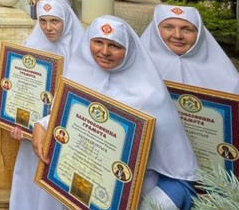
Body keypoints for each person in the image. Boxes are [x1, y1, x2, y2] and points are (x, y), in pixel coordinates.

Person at [29, 16, 198, 210]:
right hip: (74, 190)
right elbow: (71, 118)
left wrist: (152, 206)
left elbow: (180, 177)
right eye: (98, 42)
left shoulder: (150, 97)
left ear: (130, 51)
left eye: (115, 46)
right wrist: (42, 124)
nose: (104, 51)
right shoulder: (78, 77)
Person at [140, 4, 239, 168]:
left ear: (200, 33)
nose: (177, 35)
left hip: (212, 165)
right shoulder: (138, 68)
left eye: (187, 29)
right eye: (168, 27)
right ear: (155, 31)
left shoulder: (223, 73)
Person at [8, 0, 84, 210]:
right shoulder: (31, 46)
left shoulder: (83, 53)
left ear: (66, 20)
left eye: (55, 21)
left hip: (65, 132)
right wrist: (16, 121)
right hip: (32, 132)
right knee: (29, 177)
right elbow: (19, 90)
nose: (48, 28)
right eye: (43, 21)